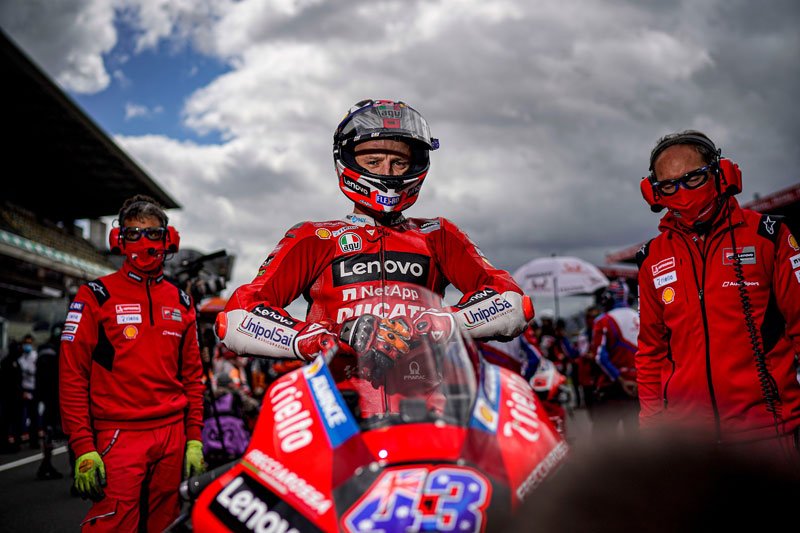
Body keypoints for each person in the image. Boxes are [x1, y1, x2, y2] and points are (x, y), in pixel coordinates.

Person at [216, 99, 534, 398]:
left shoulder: (438, 234)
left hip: (427, 404)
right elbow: (236, 320)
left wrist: (437, 324)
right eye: (373, 161)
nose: (387, 172)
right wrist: (321, 338)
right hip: (335, 404)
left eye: (399, 162)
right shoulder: (315, 237)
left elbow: (513, 304)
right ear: (347, 162)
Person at [636, 130, 800, 465]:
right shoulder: (651, 258)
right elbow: (650, 352)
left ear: (720, 173)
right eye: (669, 185)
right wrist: (651, 431)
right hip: (686, 443)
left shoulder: (768, 237)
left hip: (769, 434)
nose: (682, 192)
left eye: (693, 178)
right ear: (655, 193)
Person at [59, 195, 206, 531]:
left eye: (153, 233)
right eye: (134, 233)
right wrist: (82, 445)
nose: (144, 242)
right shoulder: (95, 295)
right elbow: (71, 375)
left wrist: (194, 438)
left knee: (167, 524)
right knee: (113, 525)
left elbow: (193, 377)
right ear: (119, 240)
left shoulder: (182, 301)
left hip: (173, 434)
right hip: (119, 434)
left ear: (168, 240)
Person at [587, 279, 639, 440]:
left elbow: (599, 356)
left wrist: (621, 379)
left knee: (602, 439)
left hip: (612, 387)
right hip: (639, 386)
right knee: (637, 439)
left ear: (608, 299)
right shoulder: (640, 317)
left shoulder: (603, 320)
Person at [36, 324, 64, 480]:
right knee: (59, 432)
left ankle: (46, 464)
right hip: (56, 397)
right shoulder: (56, 350)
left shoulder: (46, 350)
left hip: (51, 397)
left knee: (51, 432)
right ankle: (46, 465)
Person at [18, 333, 40, 448]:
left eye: (29, 343)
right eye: (26, 343)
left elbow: (33, 371)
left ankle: (34, 440)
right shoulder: (20, 357)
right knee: (20, 415)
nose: (28, 345)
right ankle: (20, 437)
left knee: (33, 415)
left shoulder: (35, 356)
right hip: (22, 389)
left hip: (33, 389)